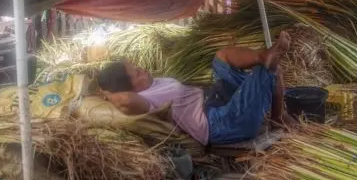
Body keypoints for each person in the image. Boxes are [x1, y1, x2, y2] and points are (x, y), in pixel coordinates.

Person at [97, 32, 291, 146]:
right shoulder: (146, 100)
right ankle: (278, 117)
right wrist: (106, 93)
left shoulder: (155, 83)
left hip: (216, 100)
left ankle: (262, 56)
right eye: (137, 74)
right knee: (265, 72)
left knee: (221, 57)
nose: (143, 71)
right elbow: (125, 102)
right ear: (128, 88)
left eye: (138, 67)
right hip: (220, 123)